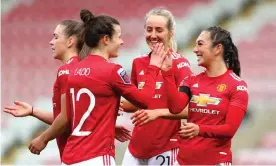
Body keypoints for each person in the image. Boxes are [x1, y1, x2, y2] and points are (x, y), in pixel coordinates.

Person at [27, 9, 167, 166]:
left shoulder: (74, 71)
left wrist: (109, 127)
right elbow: (145, 100)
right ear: (106, 39)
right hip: (96, 157)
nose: (121, 42)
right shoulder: (113, 71)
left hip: (69, 158)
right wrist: (153, 67)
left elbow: (74, 116)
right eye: (119, 37)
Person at [3, 20, 131, 159]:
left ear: (70, 41)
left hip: (79, 155)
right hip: (83, 155)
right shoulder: (81, 70)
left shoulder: (67, 71)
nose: (51, 42)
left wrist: (43, 139)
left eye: (56, 37)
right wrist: (33, 111)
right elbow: (71, 117)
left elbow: (66, 118)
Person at [160, 26, 249, 165]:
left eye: (200, 44)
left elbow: (229, 130)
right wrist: (166, 73)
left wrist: (199, 129)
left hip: (215, 162)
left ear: (217, 48)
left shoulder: (237, 86)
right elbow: (175, 108)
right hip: (183, 161)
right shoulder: (190, 80)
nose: (195, 49)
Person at [120, 8, 192, 166]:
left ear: (170, 33)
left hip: (166, 147)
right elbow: (137, 102)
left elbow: (190, 109)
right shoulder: (138, 63)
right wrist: (115, 103)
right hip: (135, 147)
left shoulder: (180, 65)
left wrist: (157, 113)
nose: (153, 35)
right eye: (149, 29)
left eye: (159, 30)